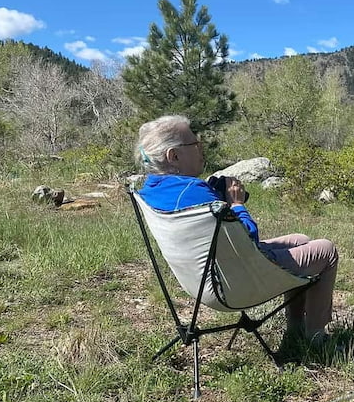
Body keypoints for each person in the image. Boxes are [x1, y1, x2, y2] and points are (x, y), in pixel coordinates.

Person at [134, 114, 338, 346]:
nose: (201, 148)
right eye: (195, 144)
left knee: (300, 239)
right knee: (326, 251)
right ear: (174, 156)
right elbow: (248, 238)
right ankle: (316, 338)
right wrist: (237, 203)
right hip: (234, 285)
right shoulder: (195, 193)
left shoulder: (151, 190)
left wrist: (214, 194)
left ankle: (295, 328)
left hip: (201, 282)